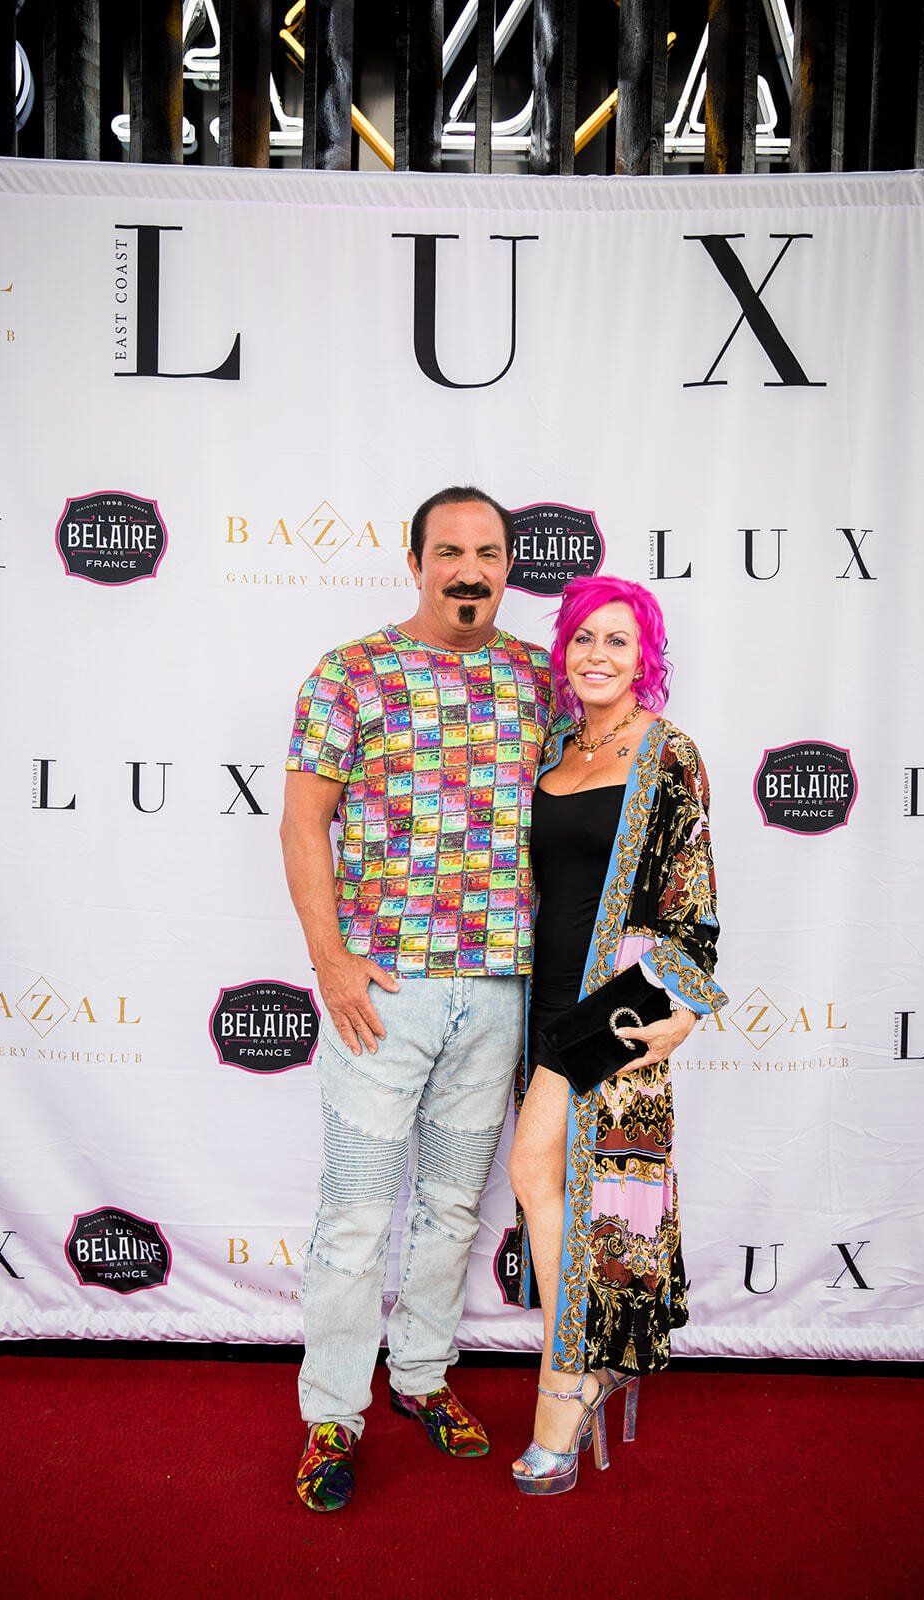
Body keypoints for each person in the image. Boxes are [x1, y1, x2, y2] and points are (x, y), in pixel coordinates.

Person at [281, 486, 551, 1511]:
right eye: (449, 551)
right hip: (379, 996)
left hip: (496, 994)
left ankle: (423, 1377)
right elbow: (303, 823)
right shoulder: (350, 674)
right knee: (354, 1212)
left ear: (508, 565)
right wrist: (331, 962)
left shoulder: (539, 680)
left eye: (487, 551)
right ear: (415, 562)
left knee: (447, 1206)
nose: (468, 568)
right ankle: (330, 1413)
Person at [507, 573, 727, 1495]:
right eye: (582, 638)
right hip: (540, 1000)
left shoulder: (668, 753)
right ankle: (593, 1359)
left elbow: (690, 889)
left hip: (619, 1005)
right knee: (568, 1192)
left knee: (534, 1171)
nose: (597, 655)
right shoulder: (554, 748)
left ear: (647, 659)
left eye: (618, 642)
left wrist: (679, 1005)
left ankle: (567, 1383)